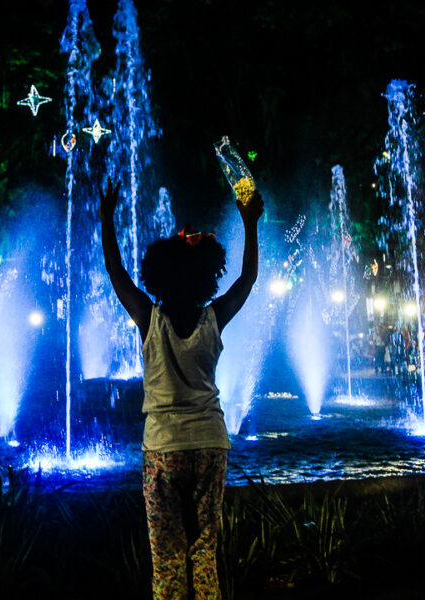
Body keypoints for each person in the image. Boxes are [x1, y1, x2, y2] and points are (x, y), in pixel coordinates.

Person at [100, 177, 263, 599]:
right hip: (211, 442)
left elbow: (115, 272)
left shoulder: (148, 319)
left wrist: (106, 219)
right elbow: (246, 278)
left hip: (163, 447)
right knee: (203, 550)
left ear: (159, 276)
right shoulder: (214, 317)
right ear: (204, 276)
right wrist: (250, 223)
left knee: (168, 555)